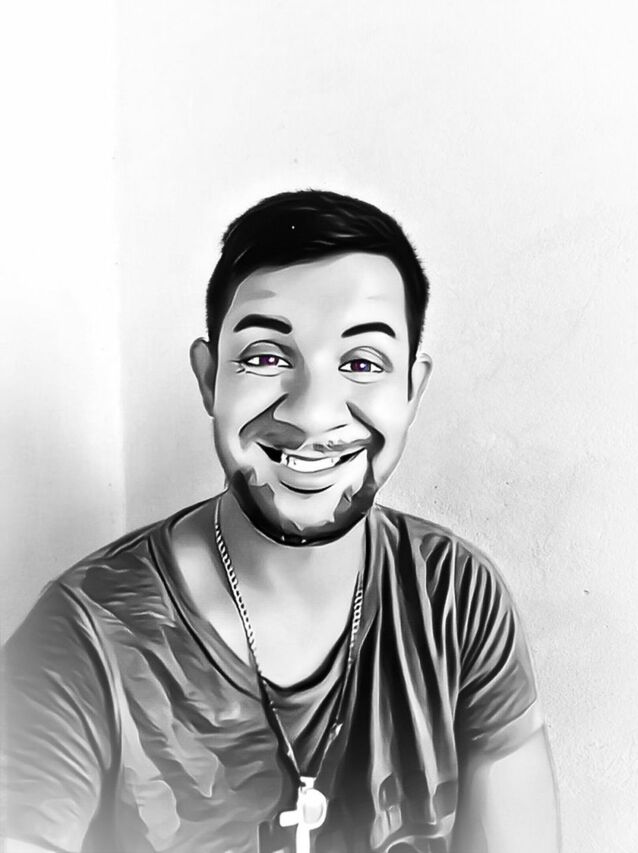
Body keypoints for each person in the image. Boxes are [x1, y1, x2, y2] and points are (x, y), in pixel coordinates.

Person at [2, 190, 560, 853]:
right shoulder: (84, 637)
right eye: (266, 356)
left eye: (362, 363)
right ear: (209, 379)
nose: (313, 413)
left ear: (412, 389)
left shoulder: (458, 598)